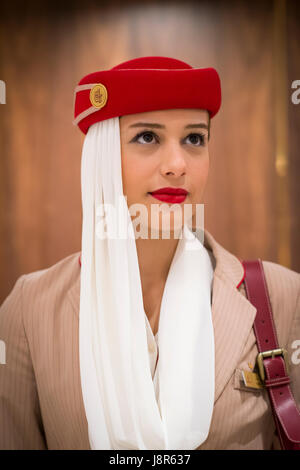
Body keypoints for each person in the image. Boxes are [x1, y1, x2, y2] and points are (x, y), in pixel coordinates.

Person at [0, 56, 299, 450]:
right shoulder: (30, 309)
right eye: (147, 137)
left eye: (194, 139)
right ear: (102, 158)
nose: (177, 165)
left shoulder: (282, 296)